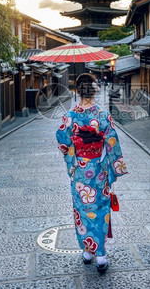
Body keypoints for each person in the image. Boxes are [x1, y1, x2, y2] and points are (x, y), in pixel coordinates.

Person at [56, 73, 128, 273]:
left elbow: (63, 142)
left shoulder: (69, 117)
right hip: (99, 171)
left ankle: (88, 251)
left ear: (77, 92)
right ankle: (101, 255)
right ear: (95, 91)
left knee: (82, 210)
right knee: (101, 209)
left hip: (80, 171)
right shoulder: (103, 115)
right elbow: (112, 141)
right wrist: (111, 164)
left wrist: (73, 159)